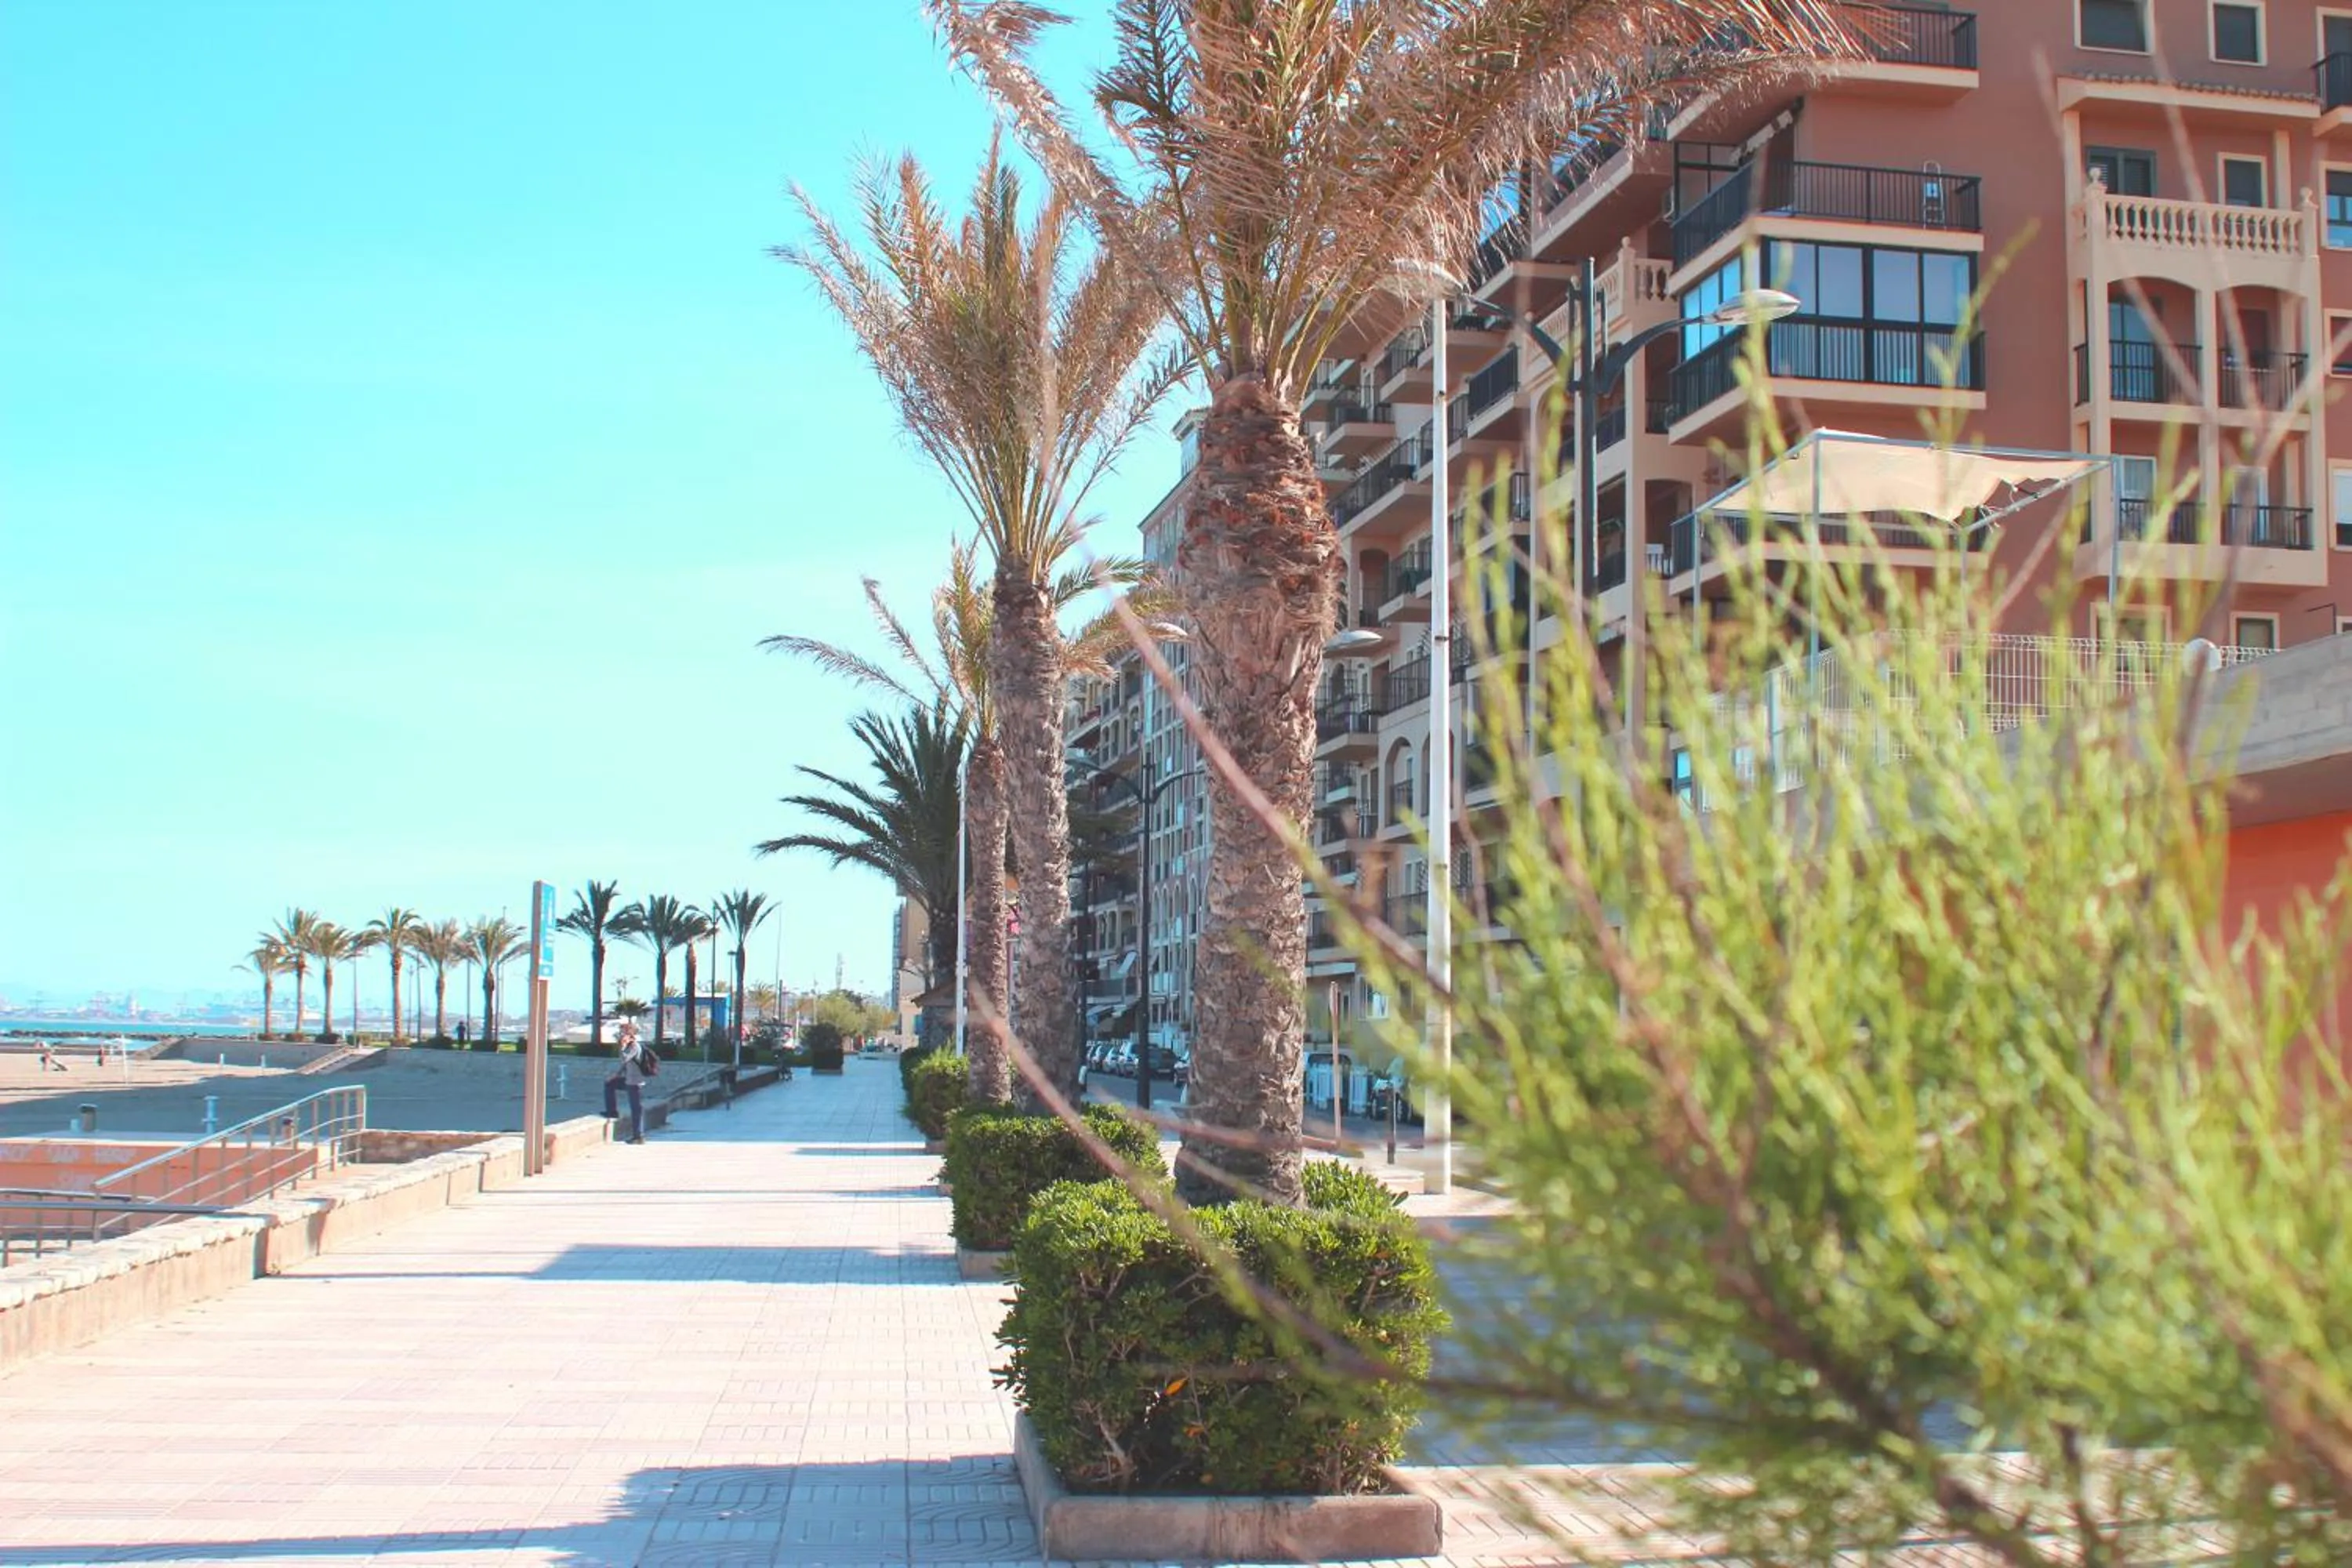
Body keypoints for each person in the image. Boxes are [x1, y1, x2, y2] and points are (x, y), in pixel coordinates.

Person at [603, 1023, 650, 1144]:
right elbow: (625, 1065)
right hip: (629, 1080)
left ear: (630, 1034)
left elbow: (625, 1059)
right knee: (609, 1085)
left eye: (623, 1032)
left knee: (636, 1109)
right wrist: (615, 1076)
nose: (621, 1035)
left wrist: (622, 1046)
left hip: (635, 1082)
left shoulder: (635, 1047)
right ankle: (612, 1111)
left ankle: (639, 1136)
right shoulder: (631, 1047)